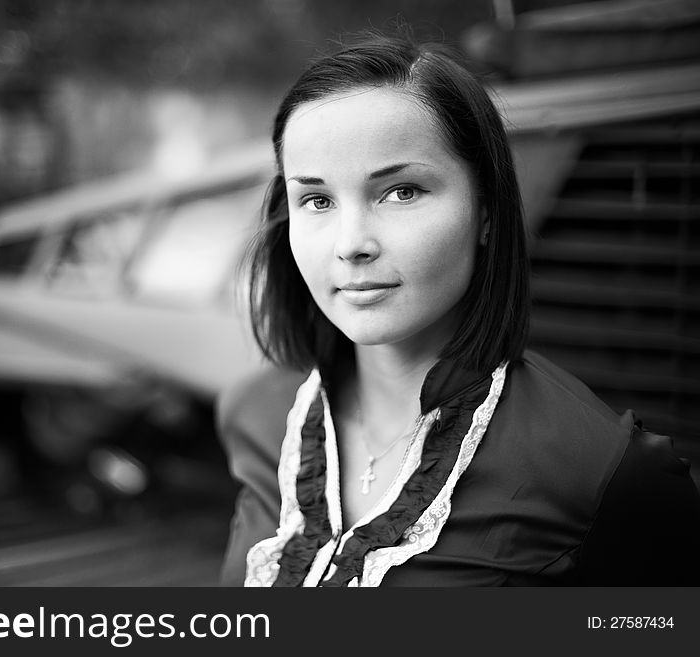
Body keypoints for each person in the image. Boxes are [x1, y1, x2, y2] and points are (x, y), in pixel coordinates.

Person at [216, 32, 700, 587]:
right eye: (317, 200)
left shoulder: (597, 467)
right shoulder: (257, 414)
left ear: (487, 213)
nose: (351, 244)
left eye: (401, 192)